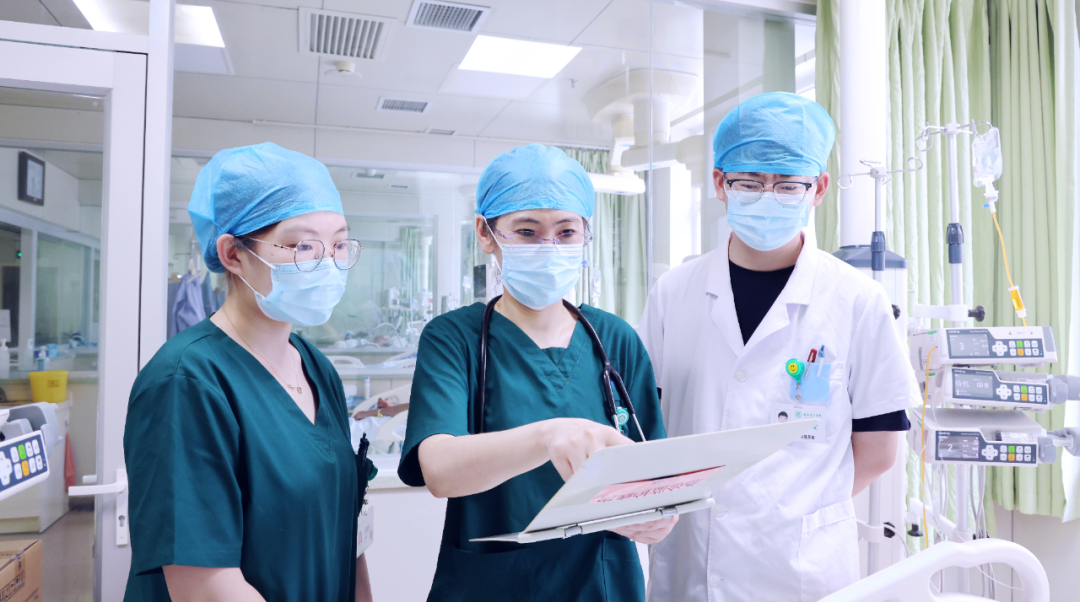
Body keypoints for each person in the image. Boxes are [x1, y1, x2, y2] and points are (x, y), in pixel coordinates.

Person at [639, 93, 919, 601]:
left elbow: (878, 450)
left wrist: (788, 509)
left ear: (819, 189)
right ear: (720, 183)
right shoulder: (672, 294)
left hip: (802, 569)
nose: (768, 197)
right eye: (749, 183)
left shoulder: (858, 301)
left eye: (789, 185)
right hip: (689, 565)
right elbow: (647, 426)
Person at [397, 144, 675, 602]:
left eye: (566, 232)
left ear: (586, 234)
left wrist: (658, 516)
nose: (549, 248)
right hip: (492, 587)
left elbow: (656, 476)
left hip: (602, 585)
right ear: (486, 233)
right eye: (527, 232)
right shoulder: (455, 338)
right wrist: (549, 436)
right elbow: (440, 469)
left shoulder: (615, 339)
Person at [123, 143, 375, 602]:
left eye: (339, 244)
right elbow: (204, 585)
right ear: (234, 255)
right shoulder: (186, 382)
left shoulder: (316, 367)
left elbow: (345, 531)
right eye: (302, 246)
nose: (327, 264)